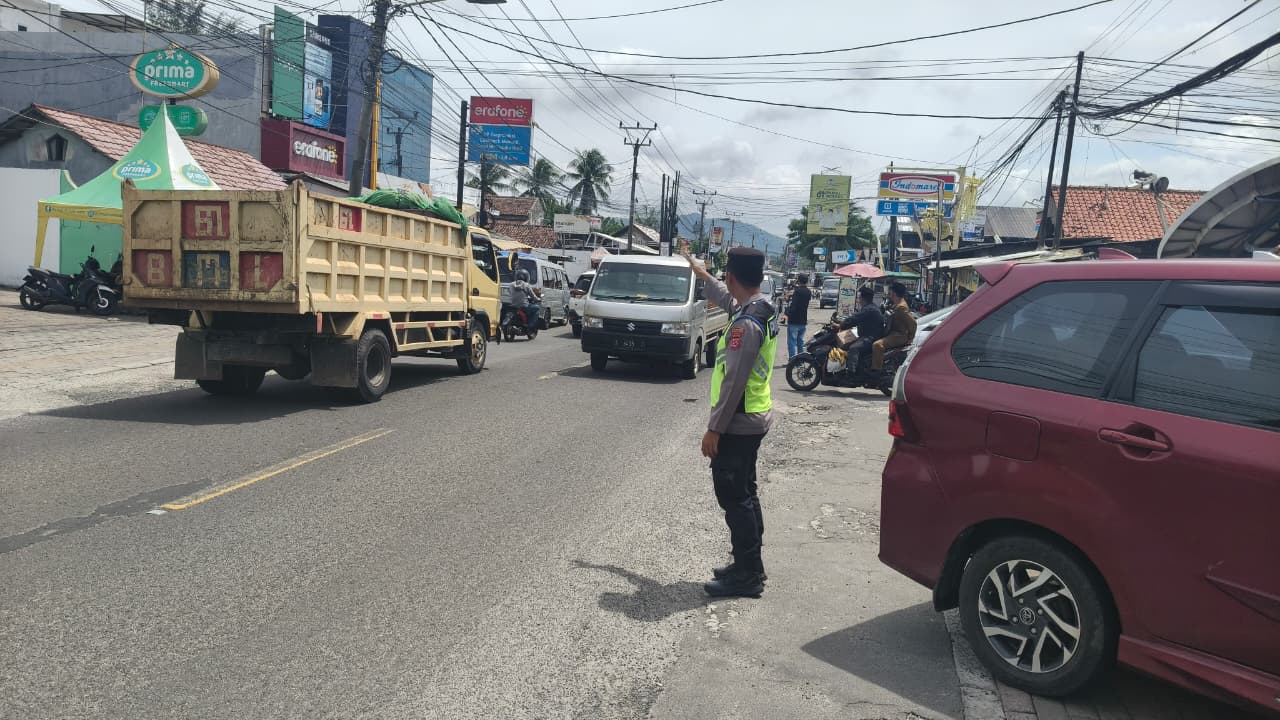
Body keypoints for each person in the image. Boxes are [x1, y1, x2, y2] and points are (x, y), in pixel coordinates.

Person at [682, 242, 777, 598]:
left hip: (739, 422)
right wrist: (700, 271)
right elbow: (726, 297)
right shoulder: (760, 308)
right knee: (745, 494)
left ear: (733, 275)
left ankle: (748, 575)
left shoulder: (746, 325)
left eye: (725, 276)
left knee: (735, 498)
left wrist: (714, 429)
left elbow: (734, 381)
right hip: (754, 416)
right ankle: (748, 564)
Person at [834, 285, 884, 372]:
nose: (858, 300)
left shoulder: (869, 309)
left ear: (863, 298)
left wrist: (840, 326)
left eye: (859, 297)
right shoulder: (869, 307)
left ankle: (851, 373)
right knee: (846, 343)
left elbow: (855, 319)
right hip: (867, 334)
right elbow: (856, 318)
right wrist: (842, 322)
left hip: (870, 337)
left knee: (853, 348)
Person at [872, 281, 917, 371]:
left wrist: (910, 338)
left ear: (894, 293)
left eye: (890, 292)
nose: (889, 294)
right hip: (893, 333)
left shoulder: (901, 307)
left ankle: (876, 370)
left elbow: (913, 323)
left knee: (877, 345)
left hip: (899, 335)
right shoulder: (896, 304)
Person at [781, 273, 811, 360]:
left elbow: (793, 306)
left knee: (792, 342)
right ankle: (800, 360)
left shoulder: (797, 291)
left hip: (794, 320)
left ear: (799, 281)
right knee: (800, 342)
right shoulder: (808, 292)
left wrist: (786, 314)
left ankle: (793, 360)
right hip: (803, 320)